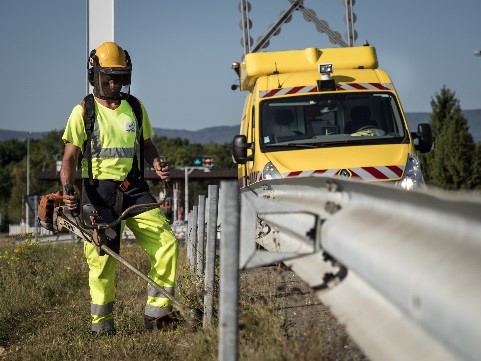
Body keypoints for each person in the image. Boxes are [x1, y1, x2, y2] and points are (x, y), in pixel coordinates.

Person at [60, 41, 178, 335]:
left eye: (120, 76)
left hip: (134, 189)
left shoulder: (135, 108)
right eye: (108, 77)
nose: (114, 83)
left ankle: (158, 314)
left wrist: (157, 164)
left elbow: (147, 145)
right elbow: (69, 158)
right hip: (97, 195)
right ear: (94, 76)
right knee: (101, 262)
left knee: (167, 244)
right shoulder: (83, 111)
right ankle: (102, 327)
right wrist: (67, 188)